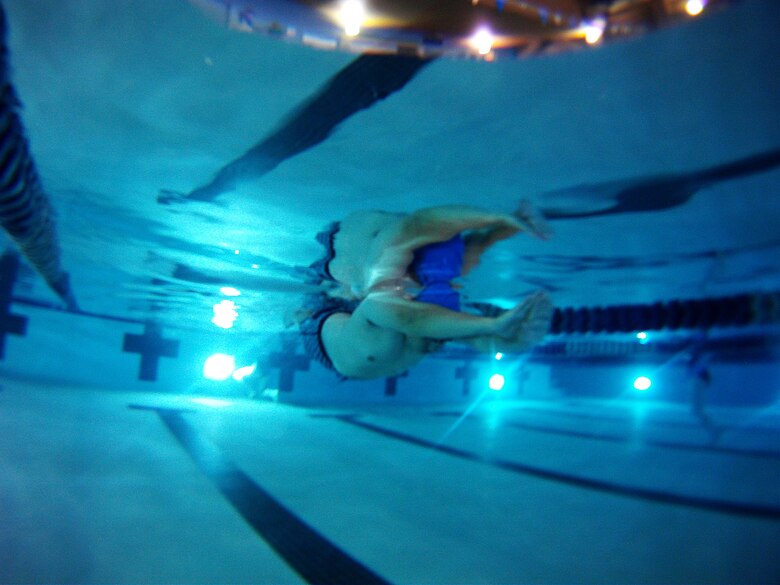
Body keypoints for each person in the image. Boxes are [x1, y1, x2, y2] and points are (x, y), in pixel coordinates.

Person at [298, 201, 554, 379]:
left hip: (356, 324)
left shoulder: (389, 280)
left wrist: (501, 222)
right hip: (339, 333)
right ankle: (502, 331)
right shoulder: (376, 333)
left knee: (404, 319)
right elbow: (417, 228)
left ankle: (502, 331)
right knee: (389, 323)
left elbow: (418, 227)